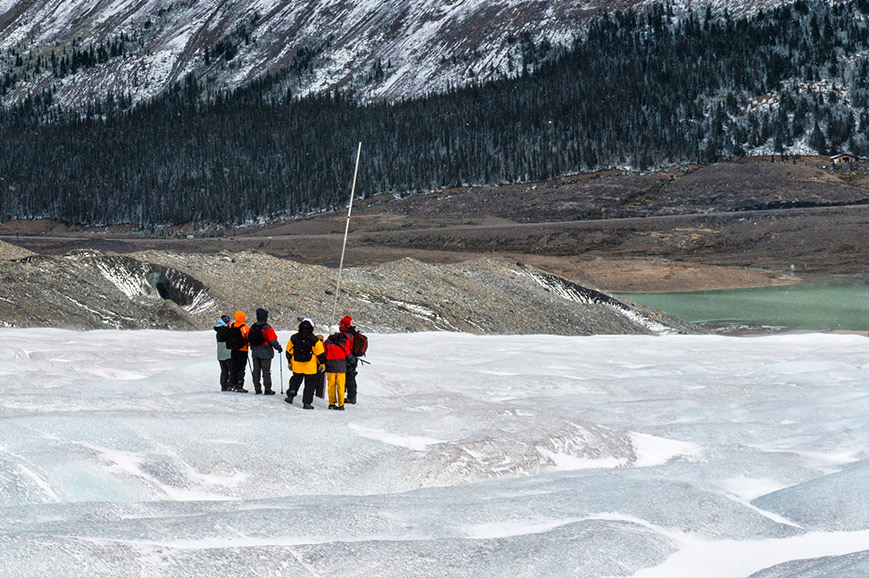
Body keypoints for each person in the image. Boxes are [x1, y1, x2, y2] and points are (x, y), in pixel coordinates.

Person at [285, 318, 325, 409]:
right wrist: (322, 363)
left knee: (295, 381)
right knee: (309, 385)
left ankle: (290, 396)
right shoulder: (314, 339)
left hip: (297, 365)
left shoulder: (294, 337)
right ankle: (307, 403)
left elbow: (288, 351)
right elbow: (320, 353)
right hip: (310, 367)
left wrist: (289, 362)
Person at [249, 308, 282, 395]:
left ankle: (257, 388)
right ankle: (267, 389)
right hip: (266, 352)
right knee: (266, 371)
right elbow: (273, 340)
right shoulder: (267, 327)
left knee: (256, 371)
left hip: (255, 352)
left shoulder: (253, 327)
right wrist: (278, 348)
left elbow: (250, 339)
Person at [324, 325, 351, 410]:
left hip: (330, 367)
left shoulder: (327, 342)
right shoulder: (344, 342)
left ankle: (332, 403)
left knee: (331, 386)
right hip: (341, 367)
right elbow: (348, 354)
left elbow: (323, 354)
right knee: (341, 385)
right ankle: (341, 404)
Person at [228, 310, 250, 393]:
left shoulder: (231, 326)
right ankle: (239, 385)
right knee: (241, 368)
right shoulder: (245, 328)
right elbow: (249, 340)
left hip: (233, 350)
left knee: (233, 367)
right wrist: (248, 345)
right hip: (243, 350)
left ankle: (231, 384)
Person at [339, 315, 359, 404]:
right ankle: (351, 397)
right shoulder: (352, 334)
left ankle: (348, 397)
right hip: (352, 359)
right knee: (350, 378)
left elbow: (346, 348)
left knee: (347, 378)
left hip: (348, 360)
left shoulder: (346, 336)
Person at [214, 314, 233, 391]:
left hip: (220, 353)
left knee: (224, 371)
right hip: (227, 353)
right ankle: (228, 385)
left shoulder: (218, 331)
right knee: (229, 370)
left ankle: (223, 385)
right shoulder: (226, 331)